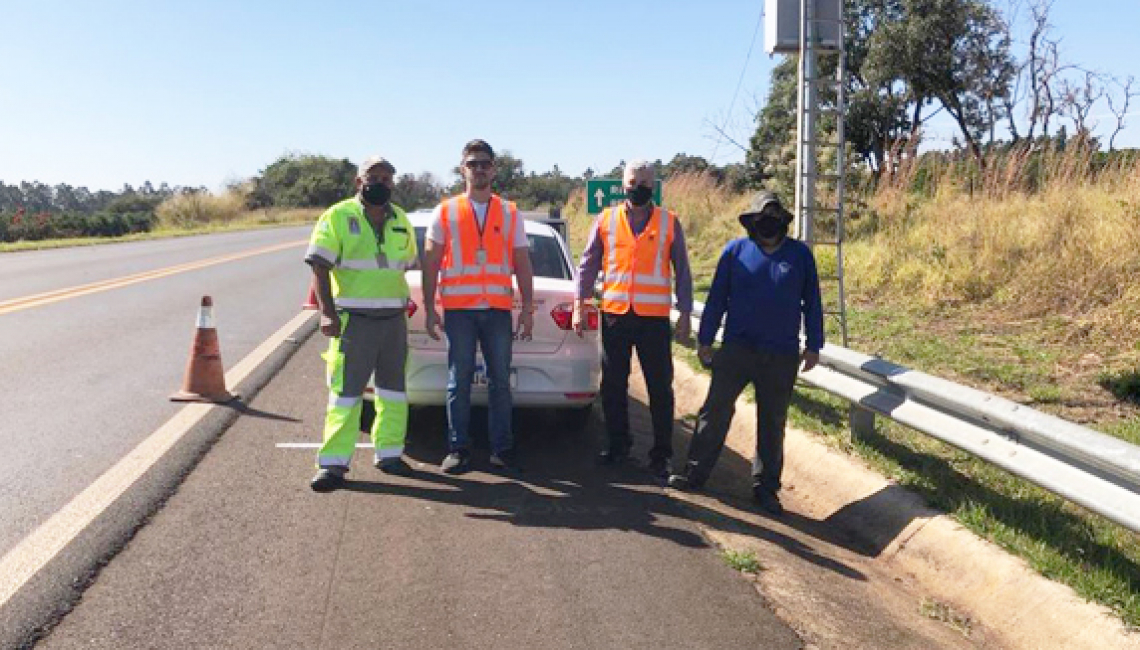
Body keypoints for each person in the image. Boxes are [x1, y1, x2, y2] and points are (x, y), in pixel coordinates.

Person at [668, 191, 824, 515]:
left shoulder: (800, 256)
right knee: (714, 412)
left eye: (774, 218)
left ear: (783, 222)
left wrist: (814, 345)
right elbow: (717, 299)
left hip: (780, 354)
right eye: (762, 218)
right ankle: (694, 473)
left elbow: (812, 302)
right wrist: (705, 339)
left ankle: (765, 489)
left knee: (773, 422)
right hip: (737, 349)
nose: (768, 224)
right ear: (751, 222)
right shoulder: (735, 252)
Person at [304, 155, 419, 492]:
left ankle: (390, 454)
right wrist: (327, 312)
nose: (380, 183)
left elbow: (409, 265)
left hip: (393, 321)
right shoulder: (338, 216)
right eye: (373, 177)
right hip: (354, 321)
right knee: (346, 394)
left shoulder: (400, 220)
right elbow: (319, 267)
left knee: (393, 392)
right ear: (359, 182)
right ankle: (333, 464)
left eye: (386, 178)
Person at [573, 159, 693, 480]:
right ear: (622, 185)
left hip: (654, 319)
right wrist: (580, 303)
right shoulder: (606, 220)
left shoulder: (669, 222)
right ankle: (617, 445)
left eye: (644, 184)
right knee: (613, 385)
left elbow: (682, 269)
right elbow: (588, 264)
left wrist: (685, 312)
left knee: (660, 388)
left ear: (653, 186)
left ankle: (662, 455)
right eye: (632, 183)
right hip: (615, 316)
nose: (637, 189)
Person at [421, 139, 535, 474]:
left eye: (485, 163)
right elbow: (430, 262)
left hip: (497, 310)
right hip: (459, 312)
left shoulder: (509, 212)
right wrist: (429, 308)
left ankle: (502, 448)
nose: (479, 169)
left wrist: (528, 308)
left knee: (500, 381)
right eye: (473, 163)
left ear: (494, 169)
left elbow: (522, 262)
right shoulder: (445, 211)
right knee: (459, 380)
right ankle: (458, 449)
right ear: (463, 169)